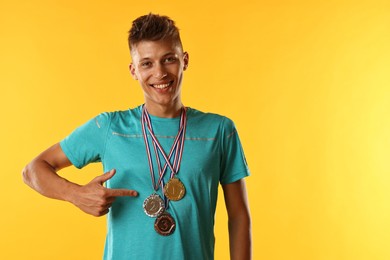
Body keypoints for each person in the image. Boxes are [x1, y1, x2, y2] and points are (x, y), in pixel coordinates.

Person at [22, 13, 251, 260]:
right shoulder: (109, 127)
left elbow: (238, 216)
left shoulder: (219, 131)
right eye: (147, 63)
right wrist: (75, 194)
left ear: (184, 60)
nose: (160, 73)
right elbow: (33, 170)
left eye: (169, 59)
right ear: (133, 70)